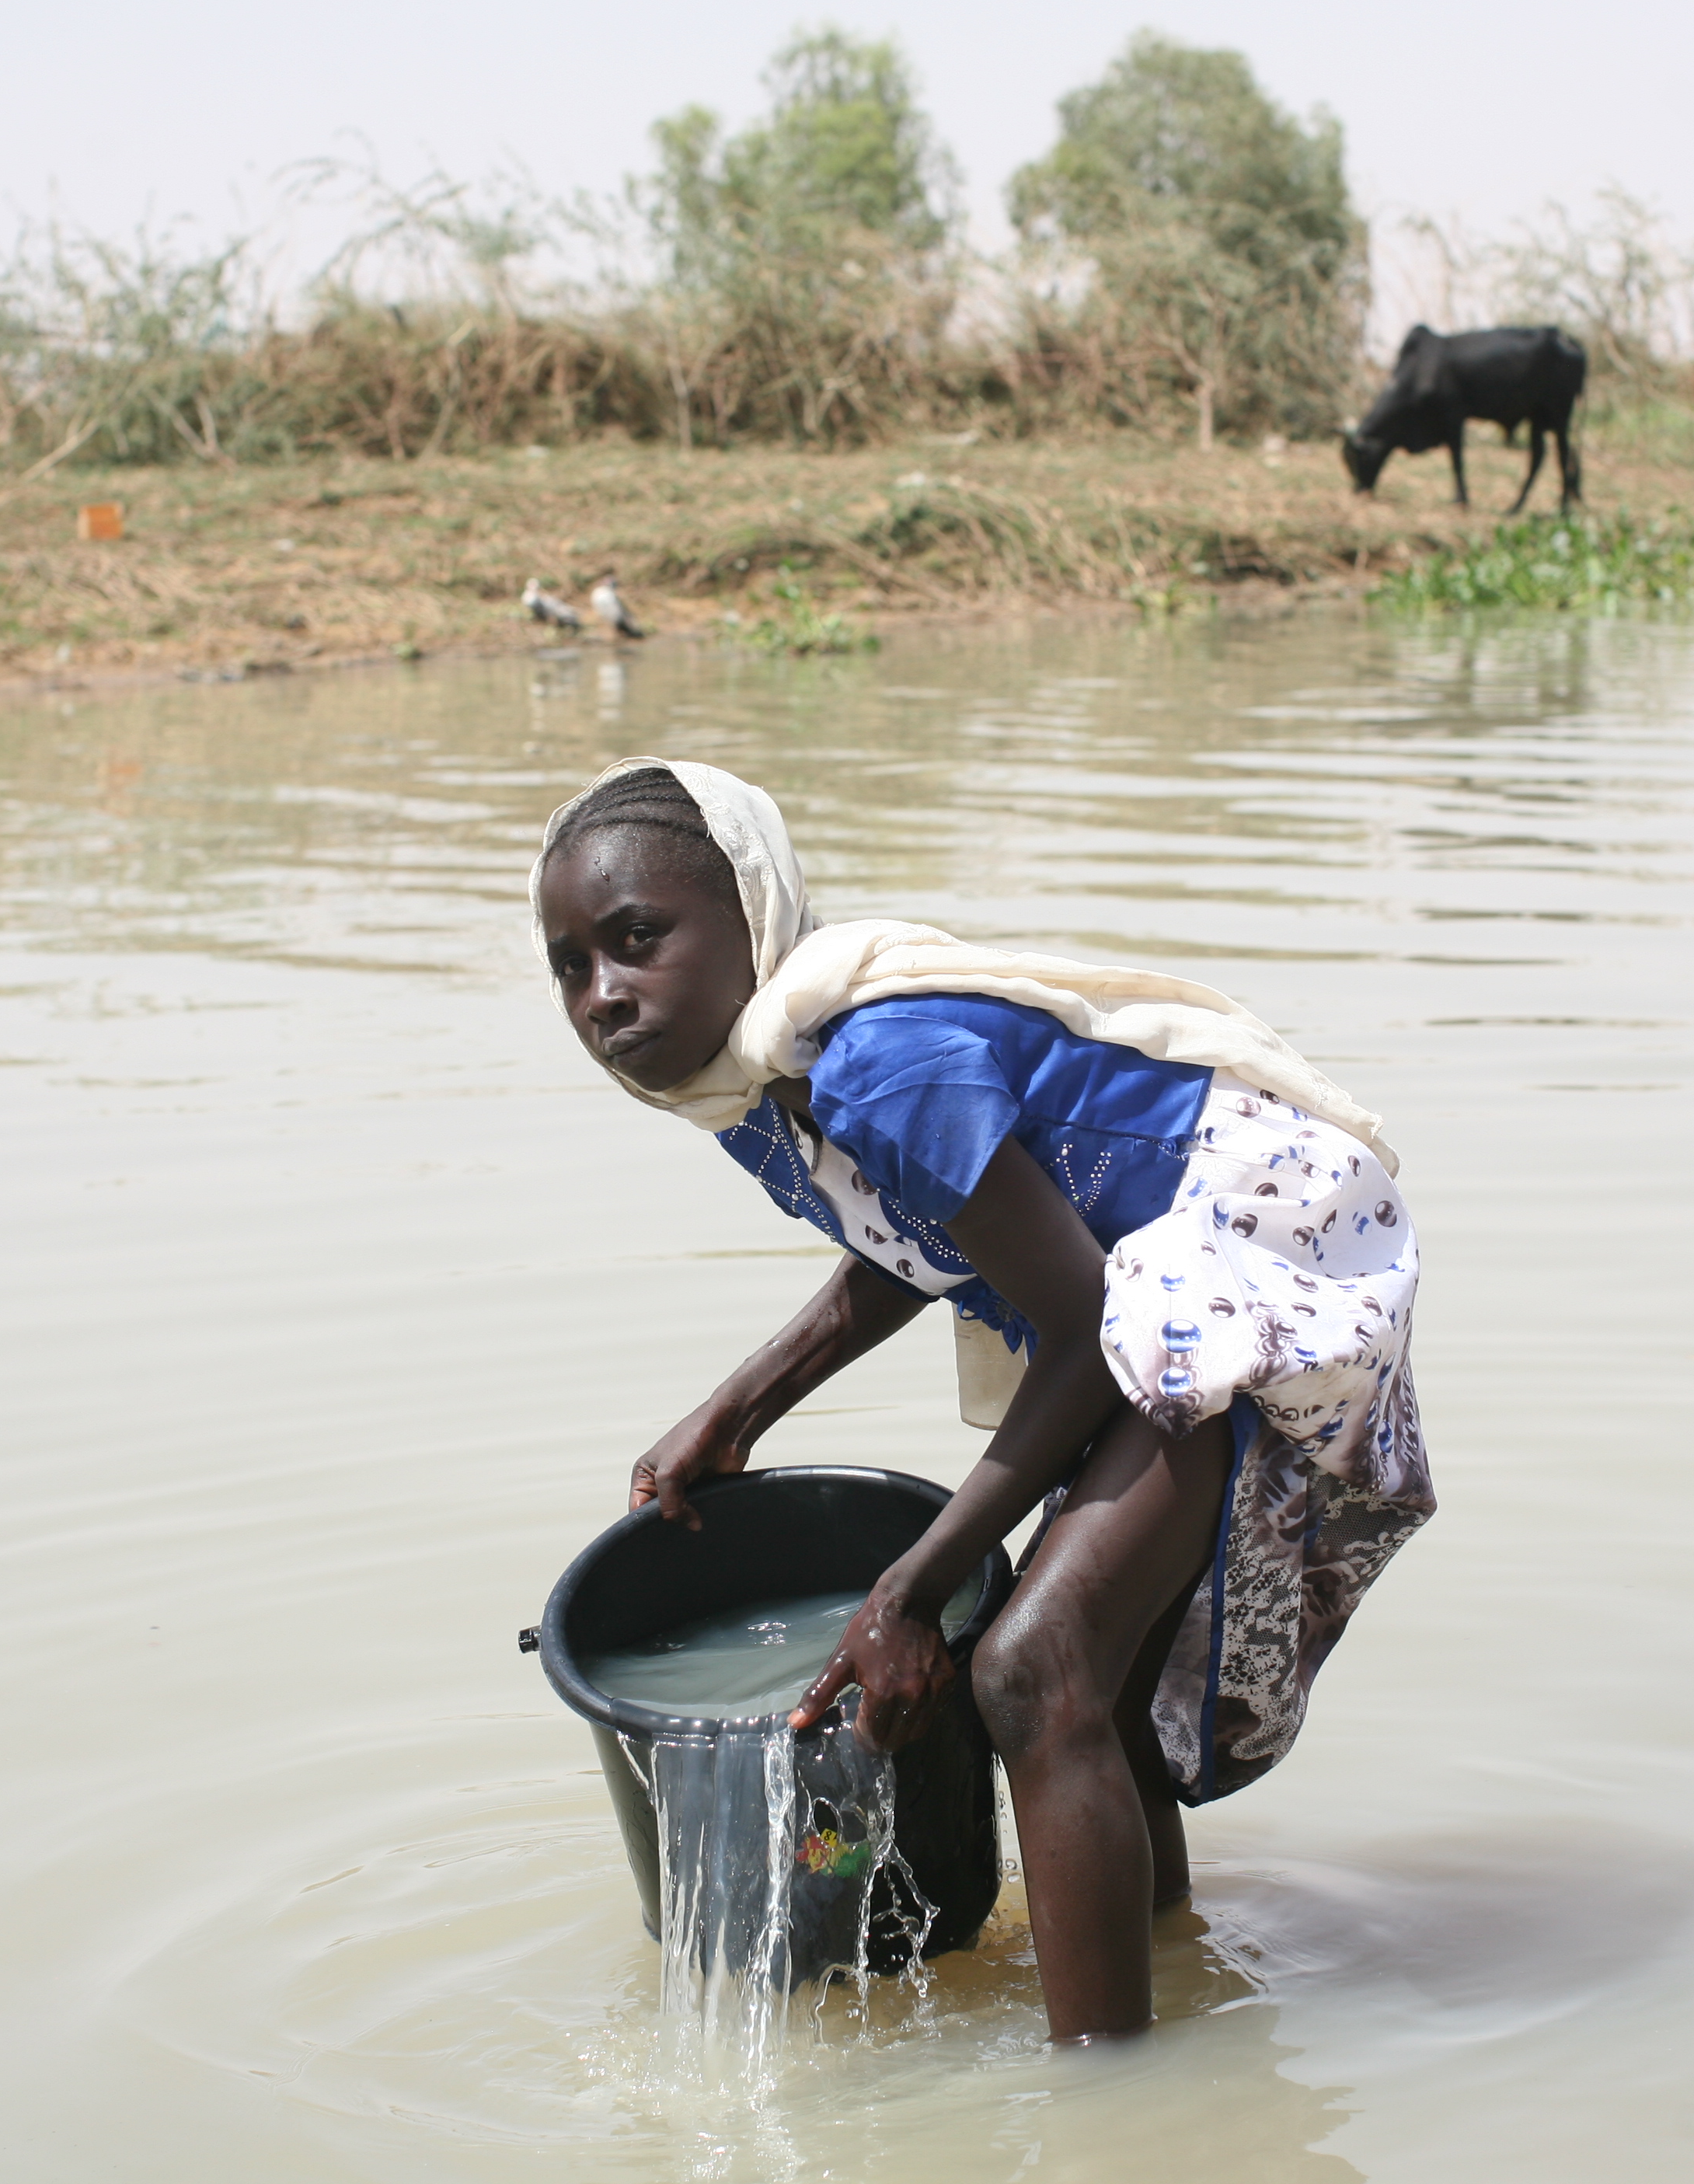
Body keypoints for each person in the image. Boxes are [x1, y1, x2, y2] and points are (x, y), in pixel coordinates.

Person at [533, 757, 1433, 2043]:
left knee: (1030, 1664)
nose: (606, 994)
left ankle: (1110, 2113)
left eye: (637, 940)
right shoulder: (757, 1084)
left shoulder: (875, 1060)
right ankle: (1167, 1984)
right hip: (1130, 1290)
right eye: (571, 965)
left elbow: (1076, 1333)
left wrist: (904, 1592)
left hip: (1251, 1253)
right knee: (1095, 1681)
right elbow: (927, 1234)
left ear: (752, 919)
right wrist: (740, 1408)